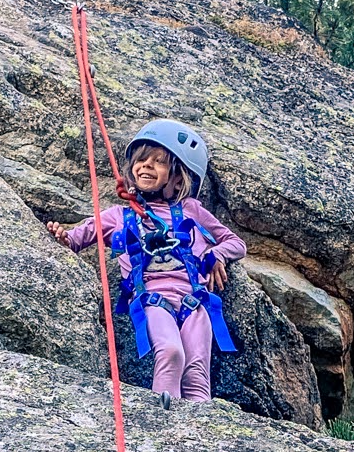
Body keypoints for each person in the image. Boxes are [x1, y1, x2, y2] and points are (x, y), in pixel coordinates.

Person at [48, 119, 246, 403]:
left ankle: (199, 433)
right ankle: (164, 422)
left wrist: (216, 255)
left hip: (195, 300)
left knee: (197, 371)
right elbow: (76, 239)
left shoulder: (191, 210)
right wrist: (62, 237)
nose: (146, 166)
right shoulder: (118, 216)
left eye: (158, 162)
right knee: (170, 351)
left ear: (179, 177)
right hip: (153, 298)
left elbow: (236, 243)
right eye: (141, 160)